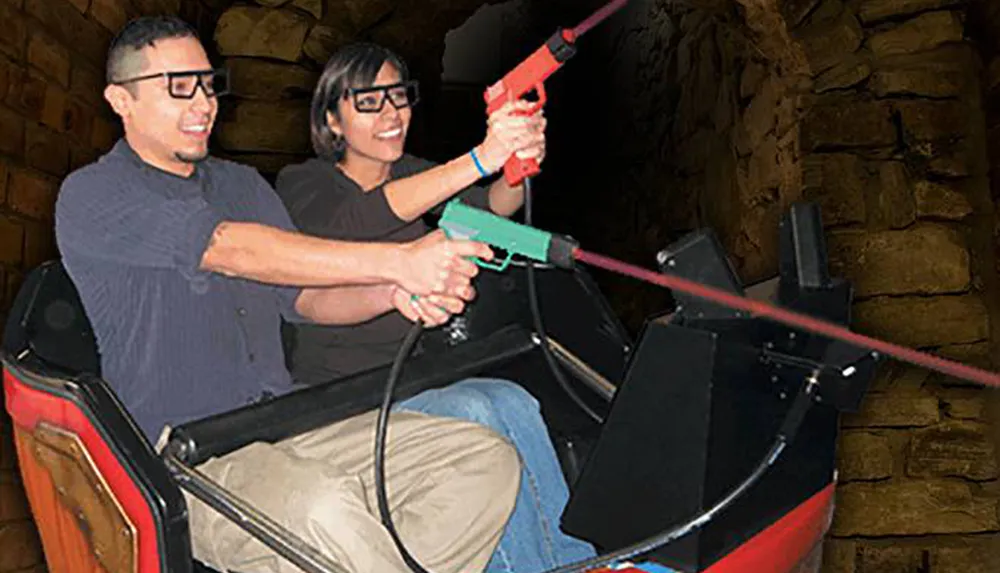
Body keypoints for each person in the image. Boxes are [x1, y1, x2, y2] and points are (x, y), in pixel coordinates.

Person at [54, 16, 530, 573]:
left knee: (485, 461)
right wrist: (401, 259)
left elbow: (304, 299)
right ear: (121, 100)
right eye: (178, 86)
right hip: (186, 458)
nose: (203, 102)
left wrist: (391, 290)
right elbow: (227, 248)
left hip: (292, 422)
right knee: (324, 512)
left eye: (208, 84)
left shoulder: (241, 185)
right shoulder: (93, 194)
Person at [274, 43, 597, 573]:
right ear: (332, 120)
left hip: (418, 384)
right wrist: (476, 160)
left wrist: (516, 164)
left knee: (512, 399)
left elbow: (487, 210)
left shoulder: (416, 175)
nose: (391, 113)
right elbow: (355, 222)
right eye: (369, 101)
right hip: (341, 402)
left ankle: (575, 564)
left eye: (398, 96)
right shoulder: (302, 185)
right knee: (481, 411)